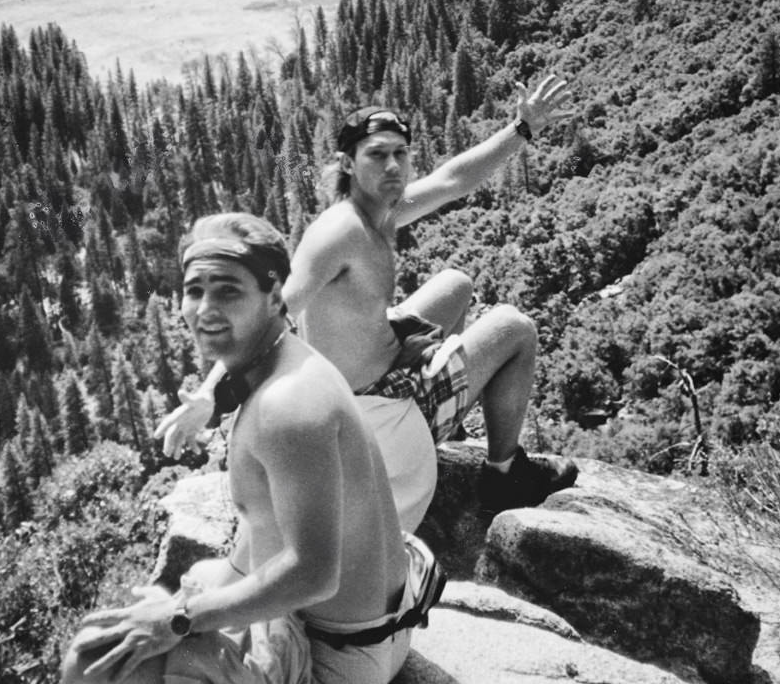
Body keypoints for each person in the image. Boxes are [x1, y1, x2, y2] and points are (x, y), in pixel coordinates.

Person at [17, 213, 444, 684]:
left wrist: (178, 623)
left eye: (228, 290)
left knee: (94, 661)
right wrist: (204, 399)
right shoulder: (283, 362)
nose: (204, 309)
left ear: (276, 296)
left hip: (335, 672)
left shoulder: (291, 407)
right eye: (194, 290)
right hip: (367, 630)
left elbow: (313, 573)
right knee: (185, 593)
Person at [159, 76, 578, 531]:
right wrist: (209, 395)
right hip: (376, 414)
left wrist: (521, 128)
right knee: (514, 327)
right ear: (348, 163)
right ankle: (503, 476)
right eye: (377, 154)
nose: (392, 165)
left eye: (400, 153)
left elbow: (453, 179)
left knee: (455, 284)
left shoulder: (378, 210)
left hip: (380, 371)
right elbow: (270, 316)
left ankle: (447, 428)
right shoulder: (339, 233)